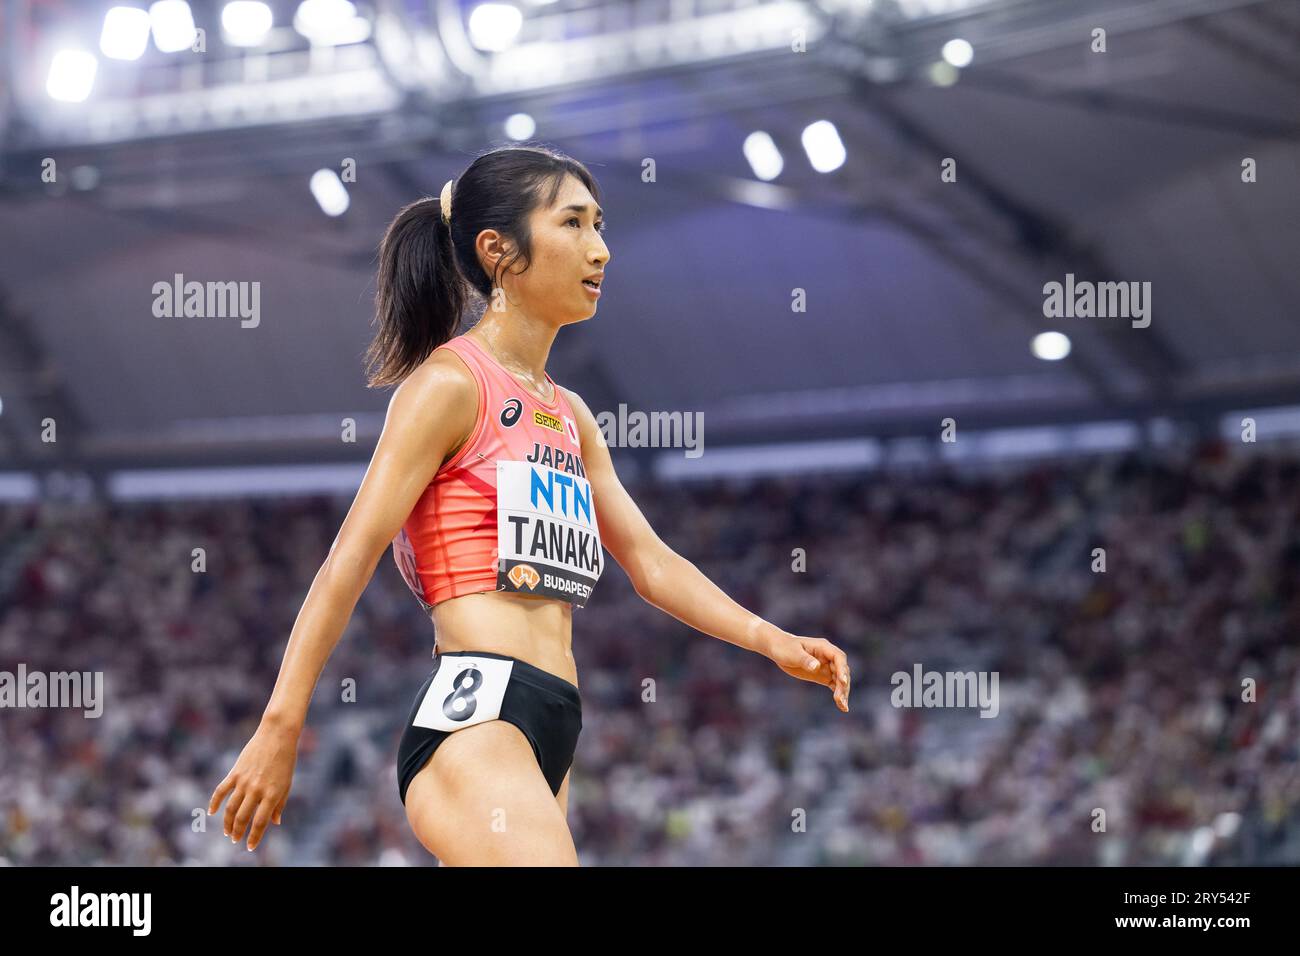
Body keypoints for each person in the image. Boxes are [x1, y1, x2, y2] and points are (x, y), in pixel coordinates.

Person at [207, 144, 851, 865]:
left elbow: (650, 562)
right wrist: (281, 723)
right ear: (498, 250)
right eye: (573, 224)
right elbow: (346, 563)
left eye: (600, 225)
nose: (601, 250)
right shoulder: (449, 387)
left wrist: (774, 641)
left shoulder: (570, 414)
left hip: (554, 725)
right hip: (478, 716)